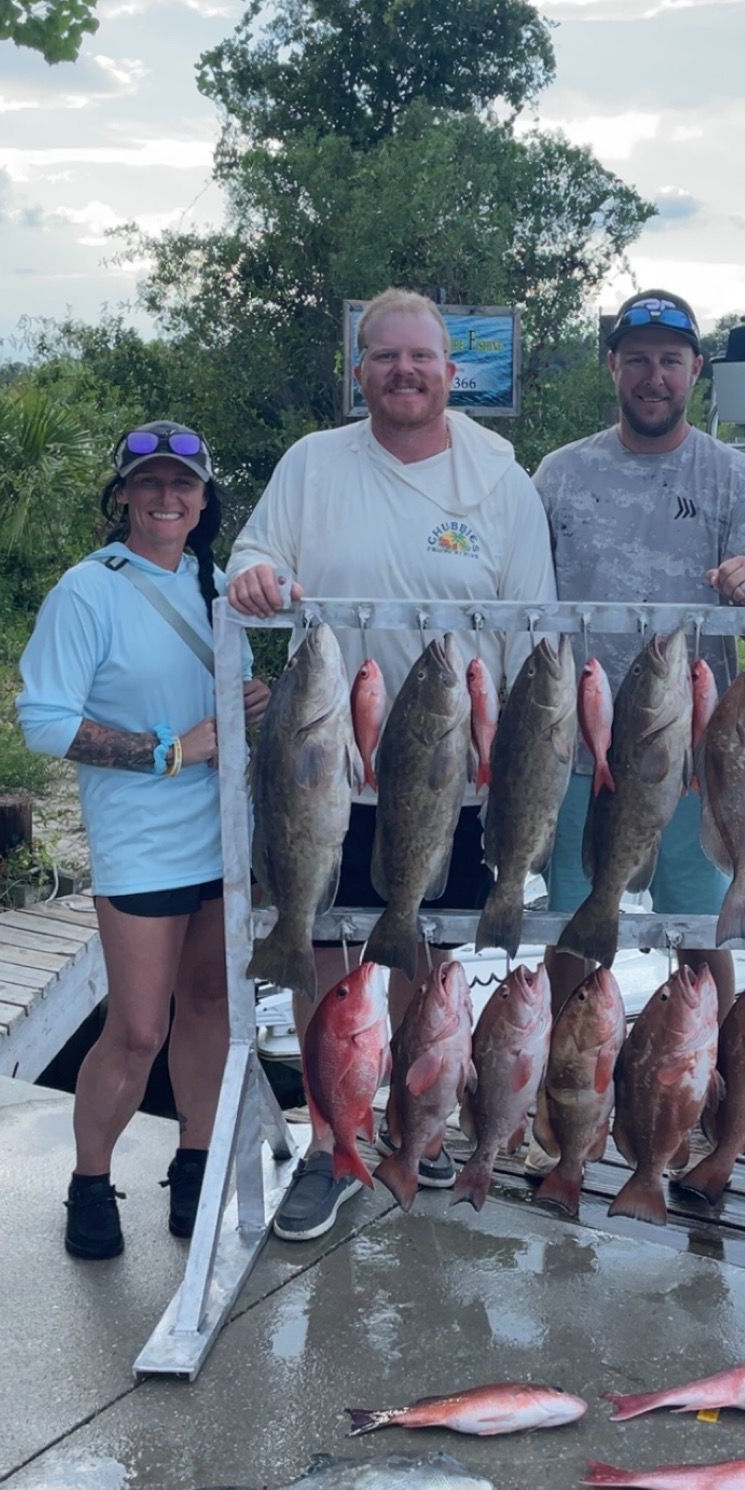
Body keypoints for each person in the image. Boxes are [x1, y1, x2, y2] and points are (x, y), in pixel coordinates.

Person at [225, 286, 556, 1241]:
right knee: (321, 951)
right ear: (359, 370)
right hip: (323, 764)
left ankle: (420, 1119)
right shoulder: (311, 464)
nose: (404, 372)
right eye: (385, 357)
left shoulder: (501, 478)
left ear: (455, 373)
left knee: (425, 954)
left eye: (423, 358)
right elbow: (259, 553)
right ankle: (335, 1139)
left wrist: (500, 756)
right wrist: (257, 574)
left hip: (448, 767)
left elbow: (532, 628)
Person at [17, 421, 268, 1261]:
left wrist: (249, 701)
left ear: (205, 500)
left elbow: (219, 694)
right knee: (134, 1031)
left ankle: (193, 1166)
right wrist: (169, 751)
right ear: (122, 493)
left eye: (184, 485)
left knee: (211, 1012)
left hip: (225, 838)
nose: (168, 498)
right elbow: (44, 721)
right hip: (142, 843)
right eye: (150, 483)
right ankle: (91, 1180)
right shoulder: (87, 591)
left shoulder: (219, 582)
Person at [533, 287, 745, 1034]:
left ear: (696, 370)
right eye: (638, 360)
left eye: (670, 362)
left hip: (693, 757)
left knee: (699, 929)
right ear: (612, 367)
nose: (654, 377)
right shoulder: (558, 474)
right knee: (573, 924)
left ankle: (712, 1072)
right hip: (578, 752)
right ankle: (558, 1075)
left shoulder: (732, 476)